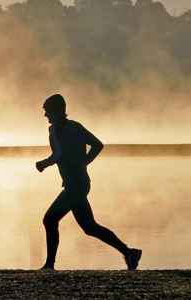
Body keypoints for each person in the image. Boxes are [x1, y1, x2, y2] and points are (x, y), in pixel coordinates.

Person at [35, 94, 142, 271]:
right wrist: (79, 162)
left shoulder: (67, 129)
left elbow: (90, 146)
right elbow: (69, 152)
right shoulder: (63, 129)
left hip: (76, 185)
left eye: (47, 112)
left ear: (58, 111)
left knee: (50, 219)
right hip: (75, 184)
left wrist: (47, 164)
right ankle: (129, 252)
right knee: (89, 227)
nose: (45, 116)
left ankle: (49, 265)